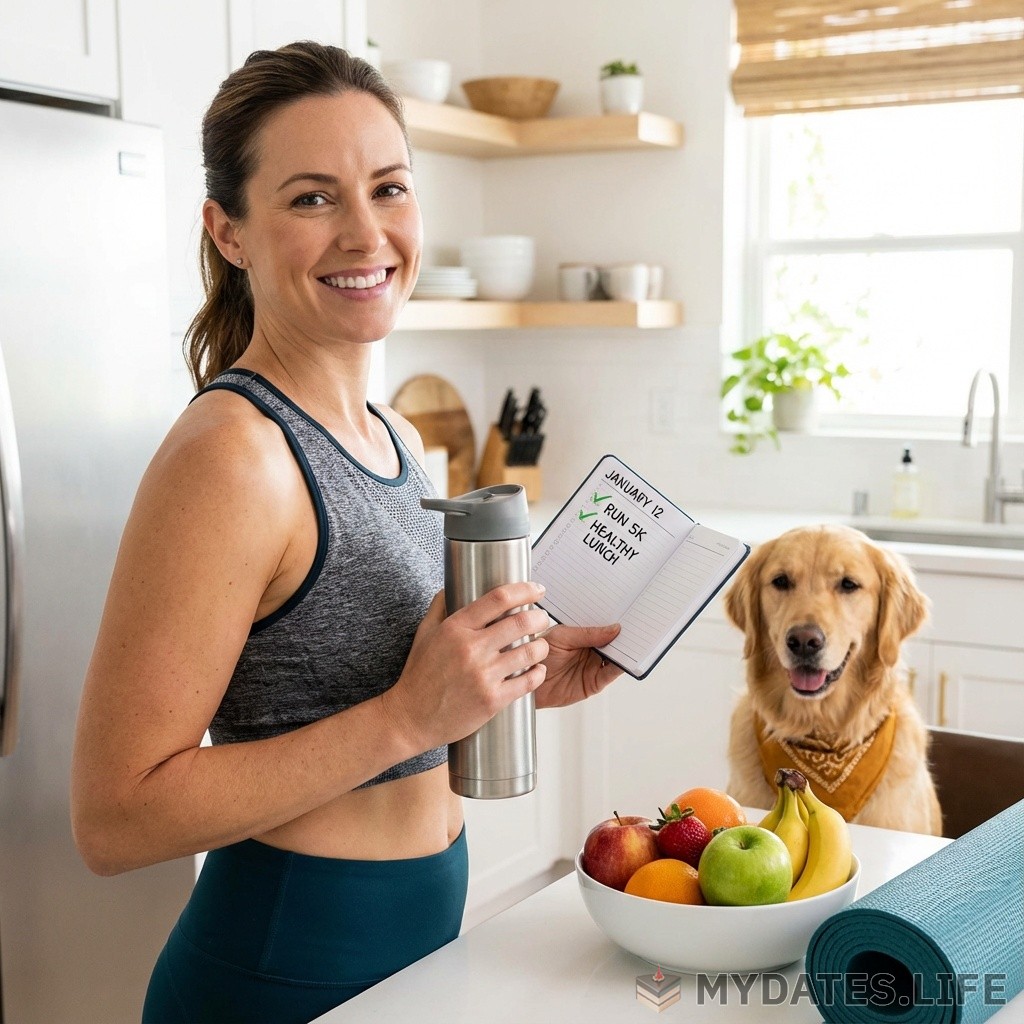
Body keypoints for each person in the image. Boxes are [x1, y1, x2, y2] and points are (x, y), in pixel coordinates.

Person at [70, 41, 622, 1024]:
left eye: (389, 188)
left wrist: (512, 680)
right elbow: (115, 816)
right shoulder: (233, 456)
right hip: (279, 971)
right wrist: (410, 716)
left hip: (413, 946)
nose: (366, 234)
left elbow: (377, 698)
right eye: (313, 198)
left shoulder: (390, 434)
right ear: (229, 232)